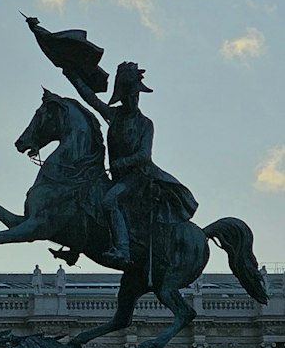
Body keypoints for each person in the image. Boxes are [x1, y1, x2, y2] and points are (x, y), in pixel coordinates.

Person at [65, 58, 197, 267]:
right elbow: (91, 99)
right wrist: (69, 72)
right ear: (123, 96)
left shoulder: (145, 123)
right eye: (130, 94)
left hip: (139, 178)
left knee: (109, 201)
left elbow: (144, 155)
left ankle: (123, 249)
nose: (134, 99)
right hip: (117, 177)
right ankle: (76, 246)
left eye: (136, 95)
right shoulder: (114, 115)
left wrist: (123, 162)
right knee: (85, 196)